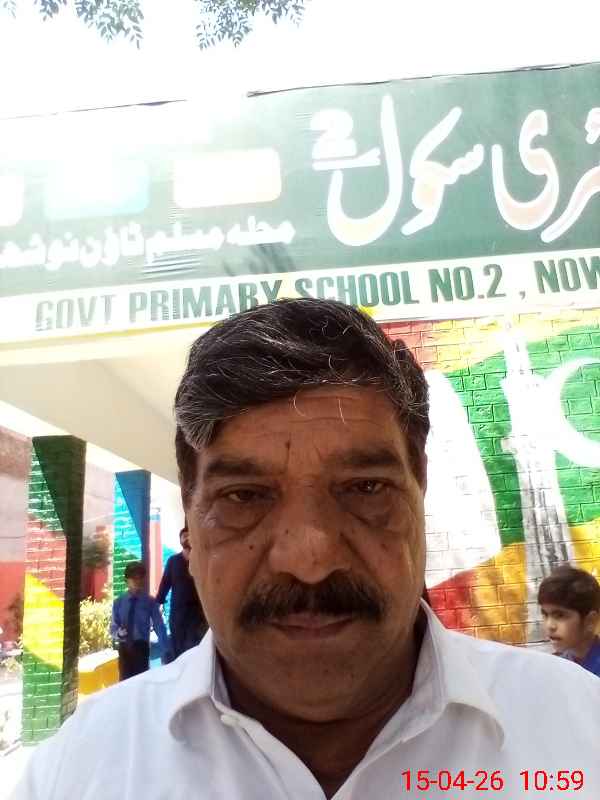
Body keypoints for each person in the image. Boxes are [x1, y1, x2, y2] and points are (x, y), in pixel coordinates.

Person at [14, 299, 600, 799]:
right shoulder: (81, 773)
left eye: (365, 488)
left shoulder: (579, 731)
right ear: (189, 522)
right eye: (244, 496)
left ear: (418, 487)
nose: (310, 559)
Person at [111, 561, 170, 680]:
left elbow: (159, 626)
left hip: (141, 648)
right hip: (124, 648)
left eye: (140, 577)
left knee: (141, 681)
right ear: (126, 580)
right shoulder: (119, 603)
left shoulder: (149, 602)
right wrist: (118, 633)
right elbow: (113, 628)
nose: (138, 581)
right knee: (125, 682)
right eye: (134, 578)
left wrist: (166, 650)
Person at [538, 564, 600, 677]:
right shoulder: (557, 666)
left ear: (590, 620)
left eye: (560, 615)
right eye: (545, 615)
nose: (550, 626)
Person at [156, 526, 208, 658]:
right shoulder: (173, 561)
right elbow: (165, 583)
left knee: (193, 649)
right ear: (180, 540)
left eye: (189, 535)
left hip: (197, 614)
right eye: (184, 536)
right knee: (178, 649)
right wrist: (158, 602)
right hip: (177, 613)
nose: (187, 538)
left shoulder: (201, 560)